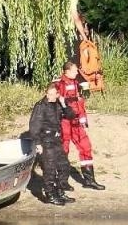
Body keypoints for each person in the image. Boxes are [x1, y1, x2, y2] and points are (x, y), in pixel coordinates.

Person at [53, 61, 105, 190]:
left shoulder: (76, 84)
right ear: (67, 71)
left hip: (76, 121)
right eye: (75, 70)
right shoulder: (58, 84)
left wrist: (83, 118)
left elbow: (80, 103)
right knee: (63, 150)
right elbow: (50, 103)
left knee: (86, 147)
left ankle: (89, 180)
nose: (77, 73)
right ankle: (62, 182)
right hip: (64, 122)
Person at [28, 84, 75, 205]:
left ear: (57, 94)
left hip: (57, 140)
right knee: (50, 169)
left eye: (52, 94)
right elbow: (34, 125)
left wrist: (64, 104)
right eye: (48, 94)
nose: (49, 96)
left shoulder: (59, 104)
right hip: (46, 140)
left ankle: (59, 191)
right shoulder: (41, 106)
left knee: (64, 166)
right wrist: (38, 143)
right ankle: (50, 194)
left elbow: (71, 116)